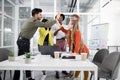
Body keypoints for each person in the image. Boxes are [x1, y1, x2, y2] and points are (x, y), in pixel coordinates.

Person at [13, 8, 60, 80]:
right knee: (23, 60)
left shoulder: (31, 20)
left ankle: (28, 77)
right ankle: (17, 78)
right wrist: (56, 20)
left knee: (26, 59)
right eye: (40, 14)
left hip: (23, 40)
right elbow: (45, 24)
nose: (41, 16)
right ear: (36, 14)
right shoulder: (34, 21)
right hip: (24, 41)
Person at [58, 14, 89, 80]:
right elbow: (63, 29)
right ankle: (75, 78)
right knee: (78, 65)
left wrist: (75, 53)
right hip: (78, 52)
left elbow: (77, 44)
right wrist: (58, 21)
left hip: (83, 52)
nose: (68, 25)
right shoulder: (70, 31)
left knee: (84, 67)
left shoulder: (77, 32)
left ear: (72, 25)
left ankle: (85, 79)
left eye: (69, 24)